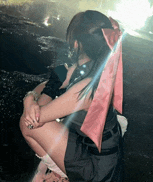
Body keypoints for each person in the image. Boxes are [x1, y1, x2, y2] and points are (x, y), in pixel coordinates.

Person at [20, 10, 127, 182]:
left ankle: (59, 175)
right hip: (93, 149)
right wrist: (35, 94)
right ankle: (58, 173)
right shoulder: (91, 66)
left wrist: (29, 101)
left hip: (98, 173)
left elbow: (35, 118)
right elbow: (51, 82)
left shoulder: (86, 87)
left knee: (28, 125)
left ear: (76, 44)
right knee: (40, 115)